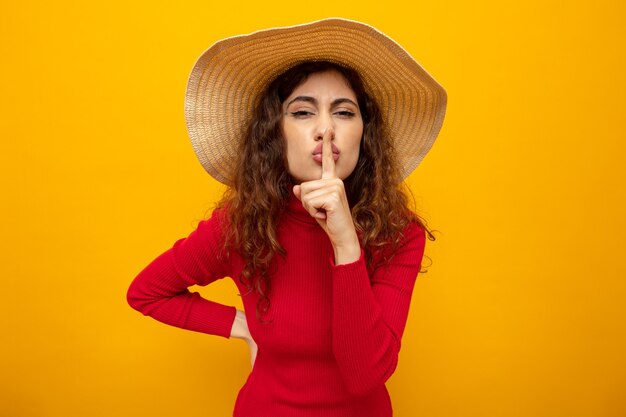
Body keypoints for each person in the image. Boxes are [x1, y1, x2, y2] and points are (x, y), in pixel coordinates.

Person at [127, 18, 446, 417]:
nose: (325, 129)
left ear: (366, 136)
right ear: (275, 133)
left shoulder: (399, 234)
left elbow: (366, 375)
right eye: (302, 112)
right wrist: (241, 326)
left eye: (344, 113)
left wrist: (346, 243)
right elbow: (146, 292)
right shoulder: (240, 225)